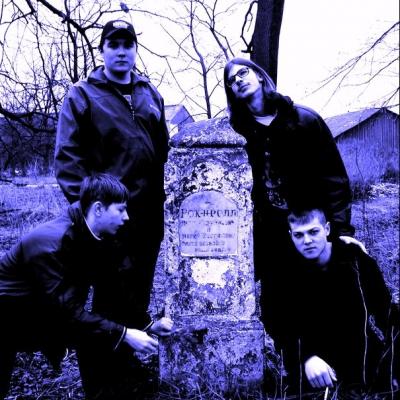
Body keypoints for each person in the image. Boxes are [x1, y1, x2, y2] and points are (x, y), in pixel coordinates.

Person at [223, 57, 365, 380]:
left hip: (308, 226)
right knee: (279, 300)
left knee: (323, 294)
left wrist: (342, 229)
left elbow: (335, 178)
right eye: (231, 80)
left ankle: (344, 367)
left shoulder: (304, 120)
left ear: (260, 76)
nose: (238, 80)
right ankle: (298, 366)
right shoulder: (236, 132)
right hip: (270, 233)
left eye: (243, 72)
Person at [0, 174, 173, 399]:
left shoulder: (93, 233)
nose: (127, 217)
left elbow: (114, 287)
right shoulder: (52, 244)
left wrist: (147, 324)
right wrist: (123, 333)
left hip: (41, 310)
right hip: (10, 316)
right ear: (99, 209)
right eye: (121, 210)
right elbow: (67, 312)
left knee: (97, 334)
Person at [54, 19, 169, 342]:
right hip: (108, 215)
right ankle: (107, 360)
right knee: (110, 289)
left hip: (148, 215)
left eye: (127, 45)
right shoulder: (82, 95)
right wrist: (91, 211)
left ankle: (134, 352)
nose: (121, 52)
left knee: (139, 287)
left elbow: (163, 153)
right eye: (113, 45)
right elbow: (67, 159)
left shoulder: (149, 93)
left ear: (135, 50)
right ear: (102, 50)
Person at [286, 207, 399, 395]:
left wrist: (393, 366)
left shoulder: (356, 260)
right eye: (299, 235)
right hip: (317, 367)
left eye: (313, 232)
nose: (307, 241)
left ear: (327, 229)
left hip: (362, 361)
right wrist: (306, 358)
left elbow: (387, 314)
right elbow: (281, 326)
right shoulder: (285, 272)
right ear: (290, 236)